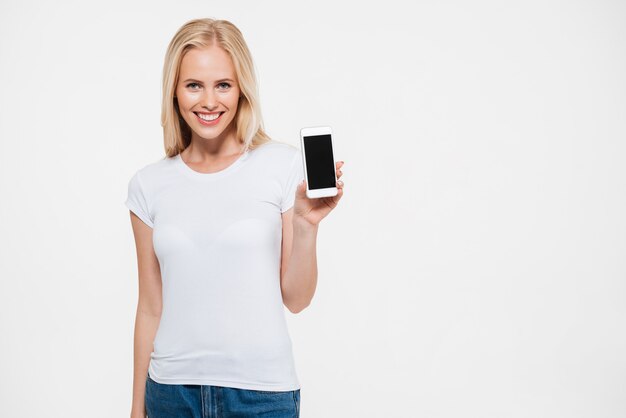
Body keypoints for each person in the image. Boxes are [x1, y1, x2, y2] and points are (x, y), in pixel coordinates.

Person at [125, 18, 344, 418]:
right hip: (171, 394)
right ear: (174, 91)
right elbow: (150, 307)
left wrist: (306, 226)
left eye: (222, 84)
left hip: (262, 397)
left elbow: (297, 299)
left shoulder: (281, 165)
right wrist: (137, 410)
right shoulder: (148, 185)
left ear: (242, 88)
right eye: (194, 85)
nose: (209, 101)